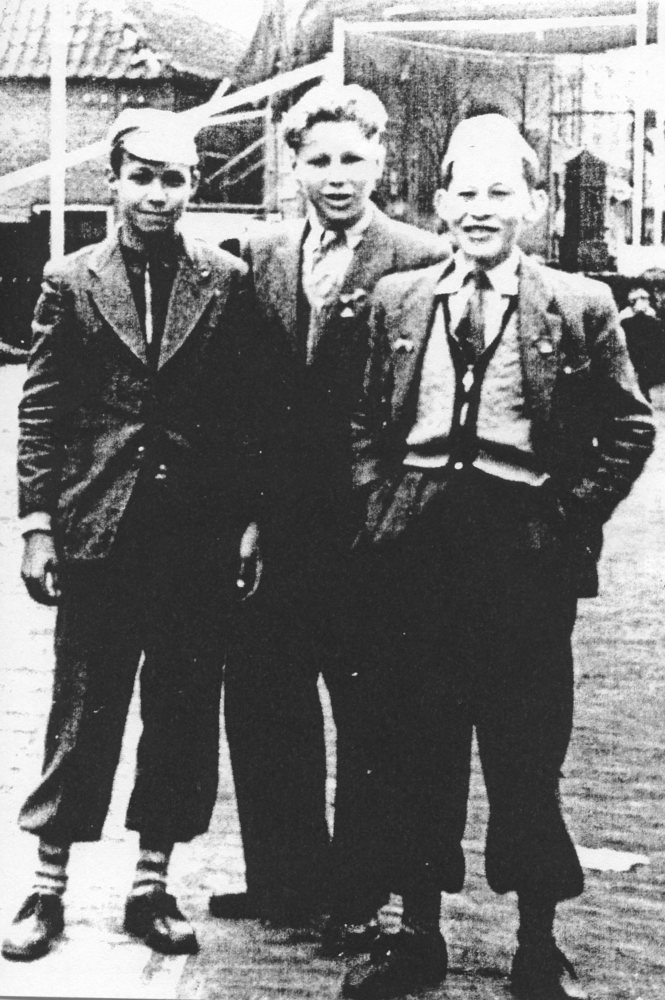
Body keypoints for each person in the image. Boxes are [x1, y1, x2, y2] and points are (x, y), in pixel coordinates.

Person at [343, 113, 655, 999]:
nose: (479, 209)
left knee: (524, 751)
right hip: (414, 549)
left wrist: (567, 517)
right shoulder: (398, 299)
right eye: (464, 192)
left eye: (499, 192)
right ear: (439, 202)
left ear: (533, 204)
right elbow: (365, 416)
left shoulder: (578, 304)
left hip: (521, 553)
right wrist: (379, 501)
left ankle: (535, 944)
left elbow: (629, 425)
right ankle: (417, 936)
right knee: (416, 745)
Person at [2, 108, 273, 961]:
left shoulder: (225, 280)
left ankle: (151, 886)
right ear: (114, 181)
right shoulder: (70, 280)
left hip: (196, 536)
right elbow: (43, 409)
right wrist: (37, 525)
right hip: (99, 532)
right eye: (143, 176)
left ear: (194, 185)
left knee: (181, 710)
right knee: (83, 709)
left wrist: (250, 520)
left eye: (175, 178)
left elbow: (247, 415)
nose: (159, 194)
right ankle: (46, 887)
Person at [210, 83, 448, 945]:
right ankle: (284, 880)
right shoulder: (258, 254)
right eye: (319, 160)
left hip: (369, 526)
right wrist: (245, 516)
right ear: (295, 167)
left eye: (352, 157)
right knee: (265, 698)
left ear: (379, 160)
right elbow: (241, 399)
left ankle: (358, 891)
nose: (337, 176)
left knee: (373, 708)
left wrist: (398, 512)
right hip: (278, 525)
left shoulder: (421, 256)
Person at [620, 282, 665, 399]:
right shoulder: (625, 314)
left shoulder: (649, 313)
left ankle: (643, 391)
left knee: (642, 371)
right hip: (635, 347)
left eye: (644, 299)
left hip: (642, 348)